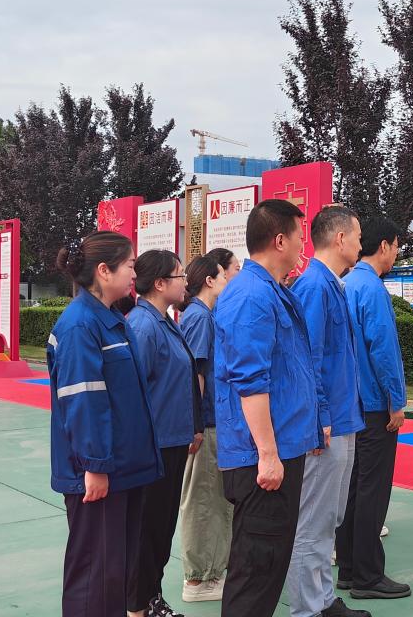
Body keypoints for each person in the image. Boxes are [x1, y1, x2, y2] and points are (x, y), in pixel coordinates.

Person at [215, 199, 323, 617]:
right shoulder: (251, 295)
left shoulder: (271, 290)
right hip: (260, 458)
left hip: (280, 448)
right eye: (299, 238)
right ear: (280, 240)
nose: (302, 247)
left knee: (269, 564)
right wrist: (268, 454)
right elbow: (250, 382)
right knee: (255, 569)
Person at [48, 232, 162, 617]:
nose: (135, 274)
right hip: (99, 474)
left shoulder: (110, 319)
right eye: (130, 265)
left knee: (113, 575)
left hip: (121, 470)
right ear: (103, 270)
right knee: (94, 578)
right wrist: (94, 466)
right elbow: (83, 401)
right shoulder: (80, 325)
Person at [286, 206, 367, 617]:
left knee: (329, 518)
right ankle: (307, 608)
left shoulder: (331, 285)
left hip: (342, 419)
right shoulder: (314, 287)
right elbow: (308, 361)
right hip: (326, 425)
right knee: (312, 522)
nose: (360, 245)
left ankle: (324, 599)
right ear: (339, 238)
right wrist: (320, 417)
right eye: (358, 236)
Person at [336, 217, 410, 600]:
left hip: (352, 403)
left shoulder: (346, 284)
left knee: (353, 487)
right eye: (396, 247)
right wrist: (396, 401)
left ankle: (349, 569)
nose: (396, 254)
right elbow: (383, 350)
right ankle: (368, 576)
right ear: (385, 246)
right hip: (375, 404)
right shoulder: (372, 289)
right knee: (373, 490)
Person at [127, 250, 204, 617]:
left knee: (160, 530)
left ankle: (150, 599)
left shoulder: (164, 322)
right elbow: (131, 393)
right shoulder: (143, 327)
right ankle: (139, 606)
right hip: (153, 447)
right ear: (159, 284)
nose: (185, 281)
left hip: (171, 442)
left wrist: (193, 427)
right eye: (179, 276)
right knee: (148, 532)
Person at [178, 255, 231, 603]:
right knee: (204, 501)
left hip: (211, 422)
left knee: (212, 499)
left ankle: (208, 573)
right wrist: (195, 425)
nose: (228, 280)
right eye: (224, 274)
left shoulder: (203, 315)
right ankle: (200, 580)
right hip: (206, 424)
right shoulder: (199, 317)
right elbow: (195, 374)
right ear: (210, 280)